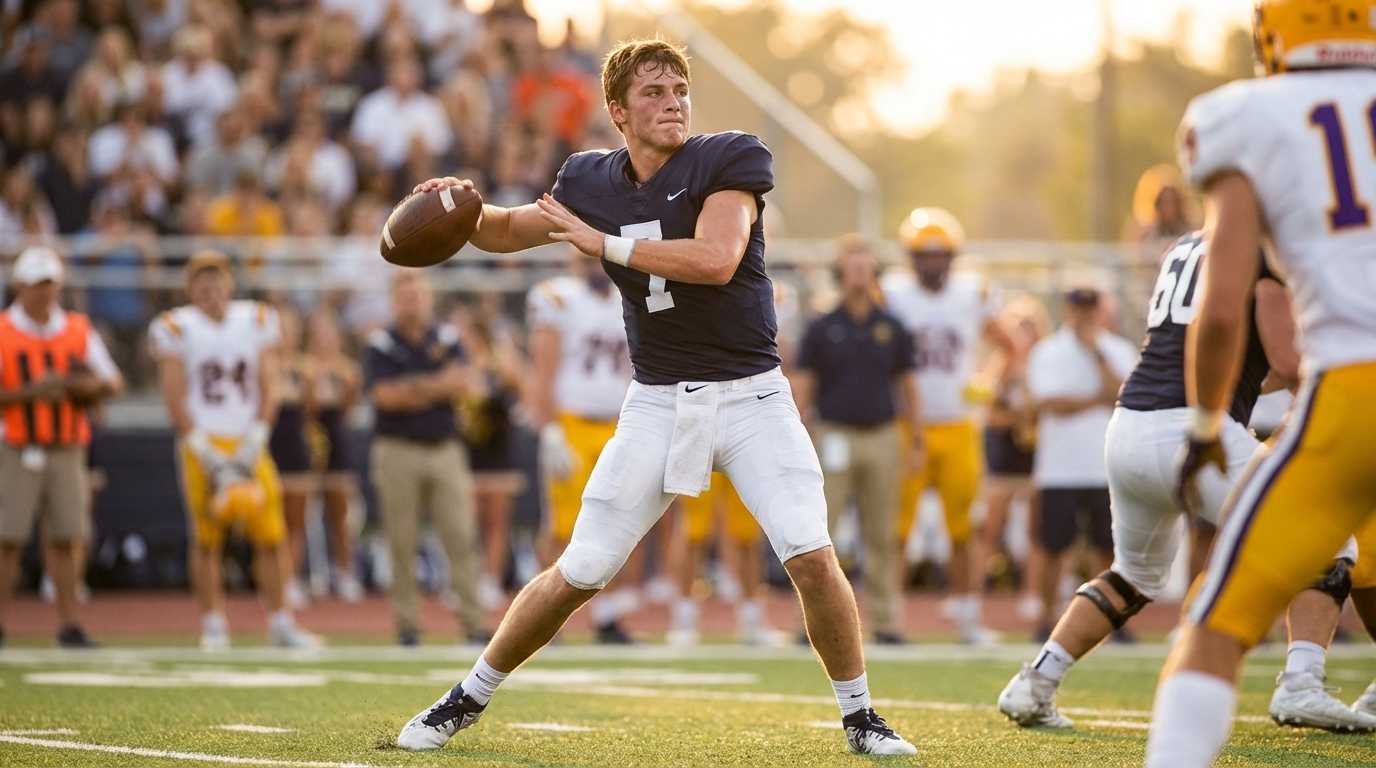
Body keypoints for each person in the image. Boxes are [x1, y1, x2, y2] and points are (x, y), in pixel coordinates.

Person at [396, 39, 916, 756]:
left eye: (679, 88)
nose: (672, 101)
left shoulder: (729, 157)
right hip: (658, 401)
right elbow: (509, 229)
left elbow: (716, 258)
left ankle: (861, 716)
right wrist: (458, 204)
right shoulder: (588, 180)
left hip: (752, 396)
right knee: (580, 570)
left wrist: (604, 245)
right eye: (653, 92)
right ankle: (466, 697)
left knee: (808, 551)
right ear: (618, 110)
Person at [996, 233, 1375, 732]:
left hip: (1129, 425)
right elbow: (1287, 361)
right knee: (1329, 541)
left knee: (1134, 575)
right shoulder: (1263, 241)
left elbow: (1245, 362)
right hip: (1193, 428)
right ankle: (1301, 684)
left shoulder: (1184, 245)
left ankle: (1035, 683)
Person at [1145, 4, 1376, 763]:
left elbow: (1220, 312)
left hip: (1353, 393)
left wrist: (1208, 427)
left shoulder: (1245, 114)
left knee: (1214, 630)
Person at [149, 249, 317, 651]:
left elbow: (268, 380)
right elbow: (173, 394)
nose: (212, 291)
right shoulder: (176, 326)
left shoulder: (255, 319)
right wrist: (201, 447)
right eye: (202, 284)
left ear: (230, 283)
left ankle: (279, 621)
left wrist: (258, 434)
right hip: (202, 441)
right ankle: (213, 623)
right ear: (191, 289)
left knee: (271, 533)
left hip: (248, 441)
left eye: (217, 281)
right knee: (207, 537)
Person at [881, 207, 1016, 644]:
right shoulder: (893, 293)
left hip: (959, 425)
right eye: (925, 256)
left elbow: (1013, 347)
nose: (933, 264)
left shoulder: (971, 292)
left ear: (953, 258)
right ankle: (889, 620)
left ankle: (968, 618)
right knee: (897, 529)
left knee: (964, 529)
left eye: (940, 256)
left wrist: (989, 385)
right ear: (910, 257)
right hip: (909, 427)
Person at [794, 237, 921, 644]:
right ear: (840, 274)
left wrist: (915, 439)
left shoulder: (893, 326)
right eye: (853, 268)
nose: (860, 276)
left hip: (882, 433)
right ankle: (813, 623)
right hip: (835, 434)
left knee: (882, 533)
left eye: (866, 268)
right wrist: (802, 435)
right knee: (820, 532)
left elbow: (907, 384)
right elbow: (805, 386)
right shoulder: (821, 327)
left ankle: (886, 621)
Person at [0, 246, 121, 648]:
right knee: (8, 538)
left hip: (68, 446)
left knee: (68, 537)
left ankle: (70, 625)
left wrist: (87, 387)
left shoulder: (76, 328)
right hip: (17, 445)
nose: (45, 293)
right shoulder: (3, 329)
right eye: (37, 285)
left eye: (50, 284)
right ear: (19, 286)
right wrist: (32, 393)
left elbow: (112, 381)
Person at [364, 270, 489, 647]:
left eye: (418, 295)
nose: (413, 303)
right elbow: (385, 397)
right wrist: (437, 386)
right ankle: (408, 626)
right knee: (400, 541)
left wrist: (414, 387)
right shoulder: (381, 342)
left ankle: (474, 623)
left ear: (429, 299)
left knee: (461, 538)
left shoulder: (446, 336)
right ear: (394, 301)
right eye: (405, 296)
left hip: (444, 447)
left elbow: (464, 382)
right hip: (397, 448)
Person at [525, 254, 641, 642]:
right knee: (561, 526)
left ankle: (607, 618)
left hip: (618, 425)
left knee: (617, 523)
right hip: (572, 423)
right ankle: (544, 617)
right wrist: (550, 429)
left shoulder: (629, 297)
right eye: (588, 259)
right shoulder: (559, 297)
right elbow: (543, 370)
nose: (596, 266)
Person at [1020, 287, 1137, 641]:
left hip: (1106, 465)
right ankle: (1045, 618)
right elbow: (1050, 401)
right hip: (1060, 468)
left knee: (1109, 548)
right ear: (1066, 310)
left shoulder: (1117, 349)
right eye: (1078, 308)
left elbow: (1125, 394)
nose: (1085, 315)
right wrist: (1097, 398)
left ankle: (1114, 619)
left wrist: (1096, 356)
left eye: (1091, 308)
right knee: (1053, 547)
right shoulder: (1048, 351)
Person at [451, 300, 527, 612]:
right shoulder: (454, 365)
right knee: (466, 523)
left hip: (497, 451)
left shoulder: (501, 364)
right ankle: (466, 581)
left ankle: (492, 580)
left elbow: (524, 393)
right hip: (465, 454)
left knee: (496, 522)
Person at [978, 297, 1050, 622]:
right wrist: (1017, 418)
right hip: (1005, 452)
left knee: (1037, 528)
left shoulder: (1048, 364)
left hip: (1038, 453)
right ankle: (972, 596)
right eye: (1017, 326)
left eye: (1029, 326)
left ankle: (1033, 593)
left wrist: (1033, 419)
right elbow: (991, 414)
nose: (1023, 334)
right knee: (992, 526)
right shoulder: (1001, 366)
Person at [302, 310, 363, 602]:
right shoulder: (303, 367)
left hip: (336, 441)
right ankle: (310, 574)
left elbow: (347, 411)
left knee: (340, 513)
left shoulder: (347, 370)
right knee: (303, 513)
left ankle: (344, 572)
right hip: (310, 441)